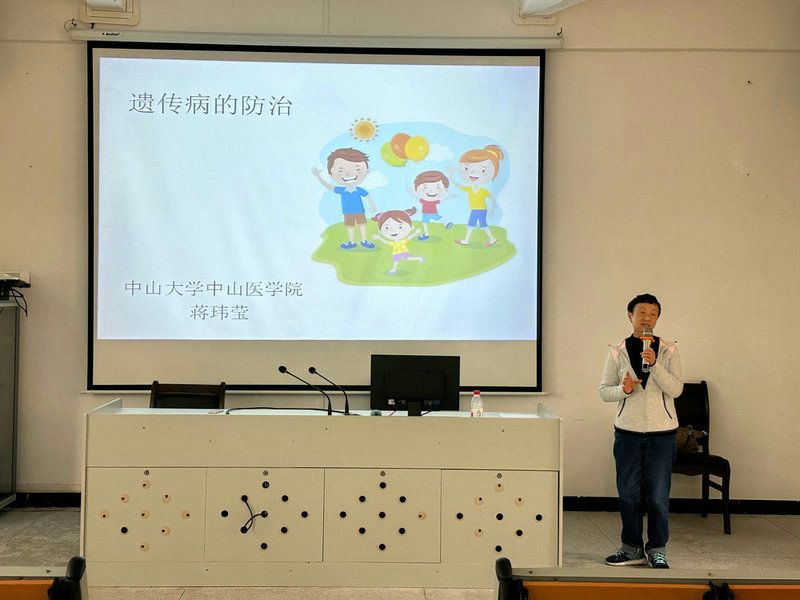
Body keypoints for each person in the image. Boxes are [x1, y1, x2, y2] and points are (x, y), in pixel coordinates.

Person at [599, 293, 683, 569]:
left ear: (657, 318)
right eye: (642, 312)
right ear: (630, 316)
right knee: (628, 495)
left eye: (653, 314)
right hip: (627, 433)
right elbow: (604, 391)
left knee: (657, 497)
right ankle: (631, 548)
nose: (647, 318)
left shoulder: (668, 350)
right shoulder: (617, 350)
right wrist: (623, 390)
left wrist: (655, 365)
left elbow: (676, 389)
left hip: (662, 434)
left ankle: (657, 549)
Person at [312, 148, 377, 250]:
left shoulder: (359, 190)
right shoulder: (342, 190)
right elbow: (329, 187)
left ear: (367, 171)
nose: (349, 174)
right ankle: (351, 242)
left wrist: (373, 205)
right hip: (348, 212)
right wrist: (318, 177)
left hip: (359, 211)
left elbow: (367, 196)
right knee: (350, 227)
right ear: (331, 174)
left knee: (362, 226)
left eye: (357, 169)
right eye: (341, 170)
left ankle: (364, 241)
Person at [454, 144, 503, 248]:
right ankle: (468, 240)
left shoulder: (483, 191)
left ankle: (491, 239)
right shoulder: (470, 189)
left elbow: (492, 199)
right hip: (475, 209)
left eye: (483, 170)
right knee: (472, 225)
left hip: (480, 210)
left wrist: (492, 209)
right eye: (467, 168)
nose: (473, 173)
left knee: (481, 225)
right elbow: (459, 186)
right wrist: (450, 176)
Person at [371, 208, 425, 275]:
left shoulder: (402, 241)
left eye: (400, 227)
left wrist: (416, 233)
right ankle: (394, 269)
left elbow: (409, 237)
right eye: (387, 228)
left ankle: (419, 258)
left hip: (403, 252)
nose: (393, 231)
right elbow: (386, 242)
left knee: (408, 259)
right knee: (396, 261)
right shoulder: (393, 243)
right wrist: (379, 238)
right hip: (396, 253)